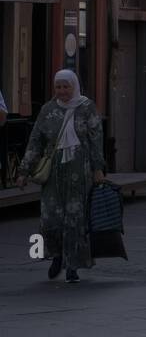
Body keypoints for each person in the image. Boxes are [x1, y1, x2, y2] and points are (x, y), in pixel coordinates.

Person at [14, 70, 106, 283]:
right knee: (50, 220)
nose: (62, 91)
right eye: (58, 87)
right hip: (53, 172)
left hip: (78, 172)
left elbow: (96, 139)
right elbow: (36, 140)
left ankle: (72, 265)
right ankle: (56, 255)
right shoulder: (48, 110)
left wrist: (98, 168)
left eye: (66, 87)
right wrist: (24, 171)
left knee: (75, 220)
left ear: (74, 86)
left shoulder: (86, 107)